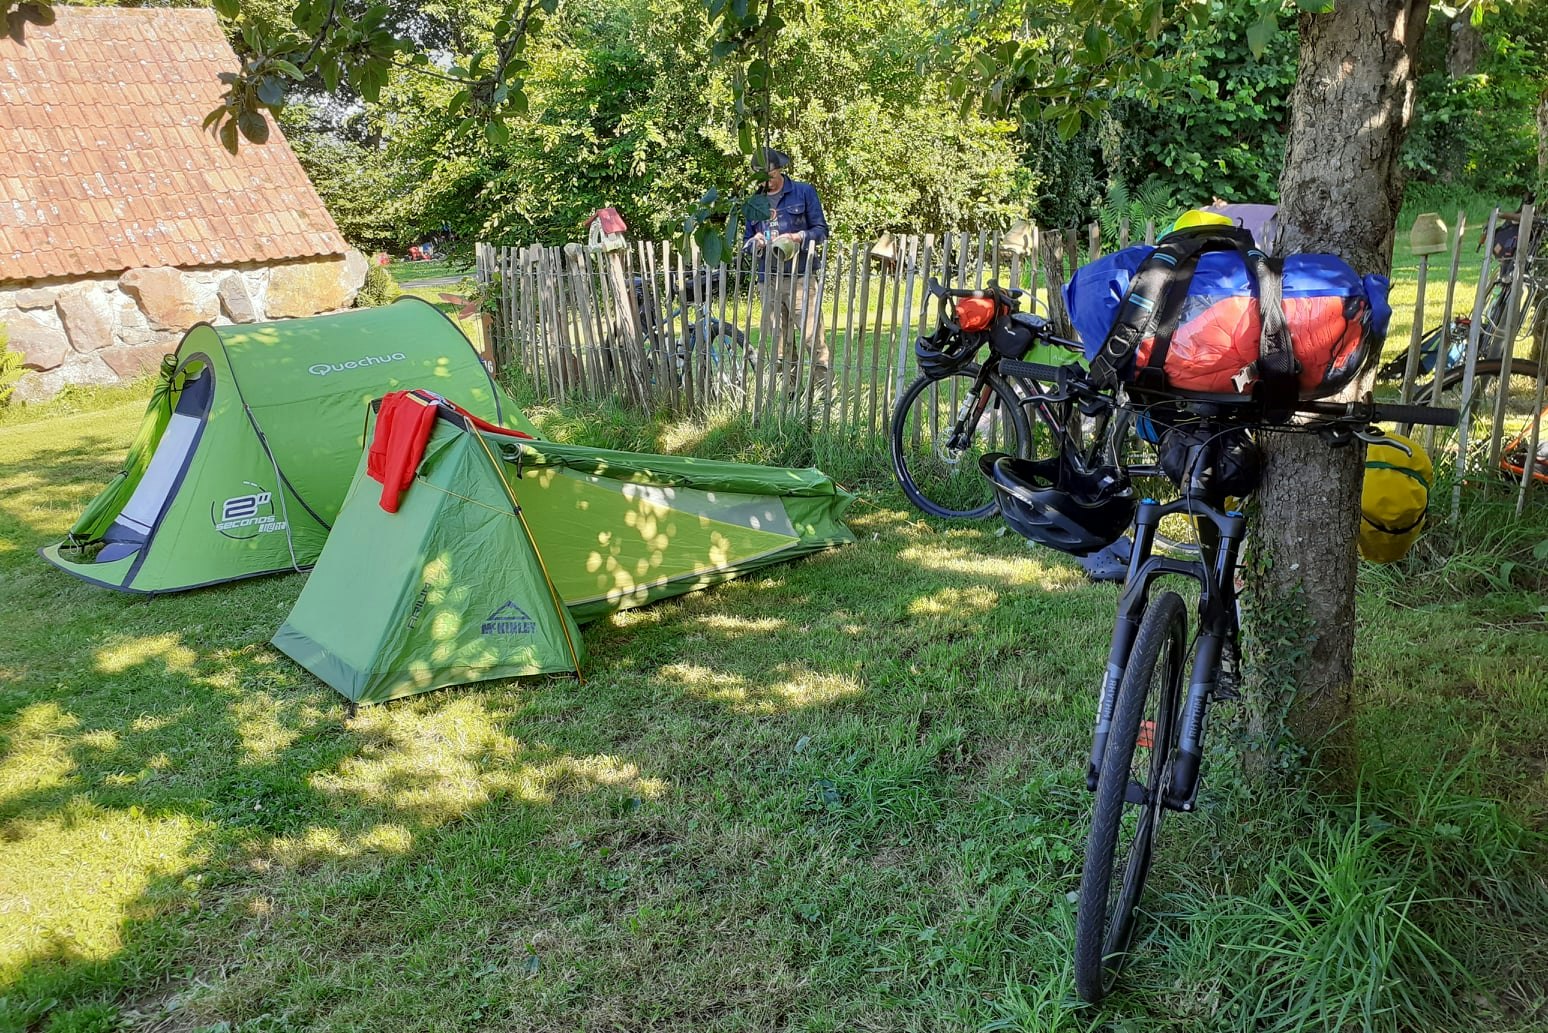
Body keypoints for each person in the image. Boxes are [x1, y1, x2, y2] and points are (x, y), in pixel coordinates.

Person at [742, 147, 830, 399]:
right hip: (767, 279)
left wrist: (798, 237)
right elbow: (746, 241)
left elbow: (821, 230)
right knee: (781, 341)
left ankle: (823, 395)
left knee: (813, 339)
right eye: (760, 176)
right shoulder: (753, 202)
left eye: (769, 174)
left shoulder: (803, 192)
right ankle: (788, 393)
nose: (766, 181)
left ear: (779, 169)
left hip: (800, 277)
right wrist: (755, 241)